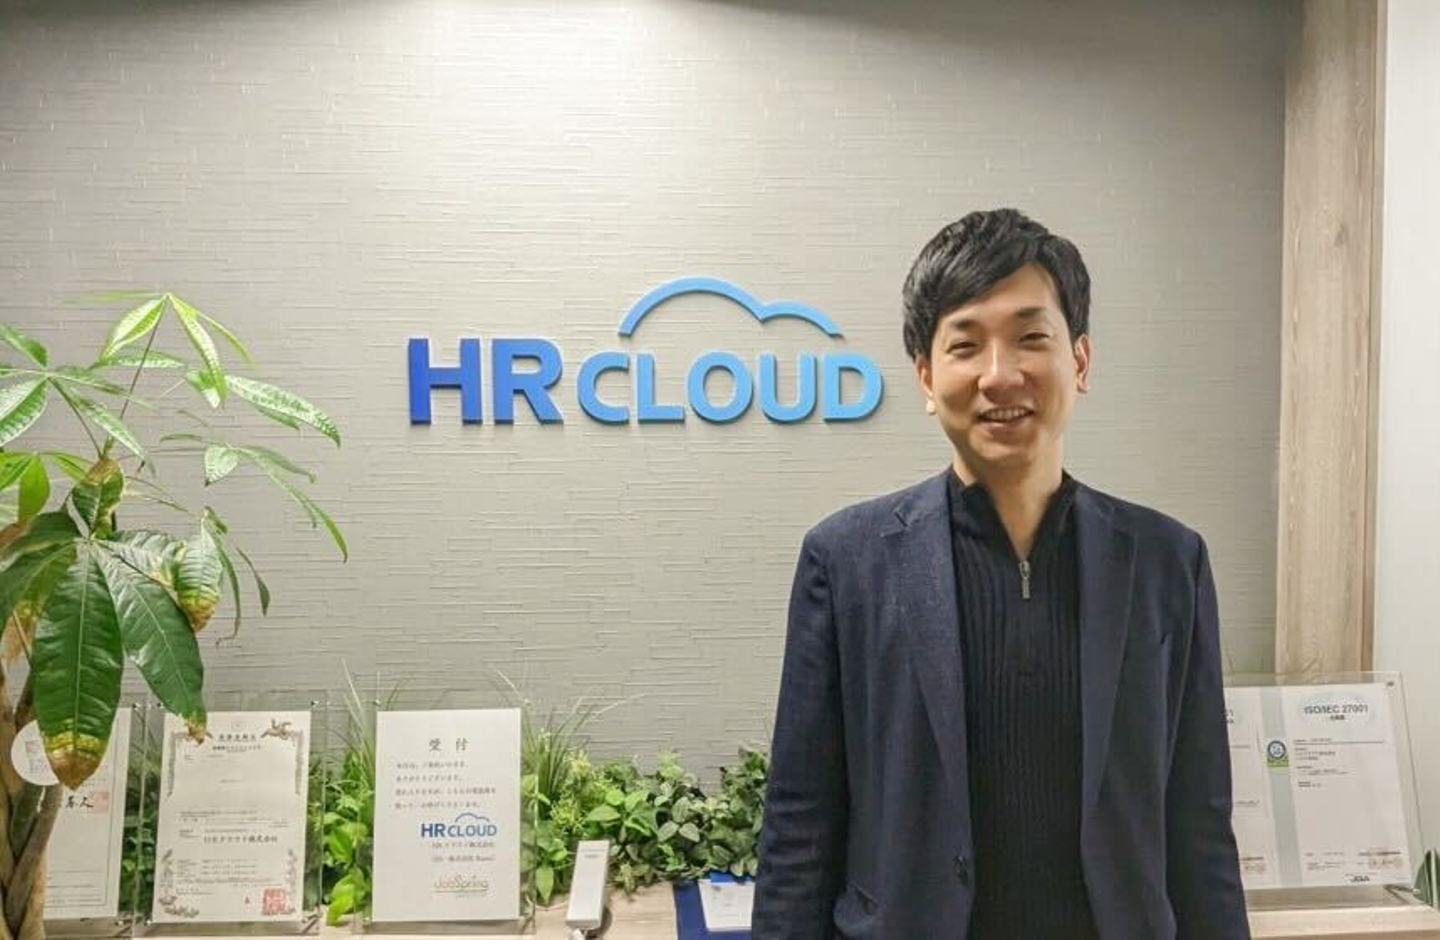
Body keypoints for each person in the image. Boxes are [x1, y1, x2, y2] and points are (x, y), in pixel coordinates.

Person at [752, 209, 1249, 939]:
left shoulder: (1167, 563)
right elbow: (801, 825)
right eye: (965, 345)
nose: (999, 374)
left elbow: (1199, 826)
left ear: (1080, 362)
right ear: (927, 377)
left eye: (1031, 338)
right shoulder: (847, 561)